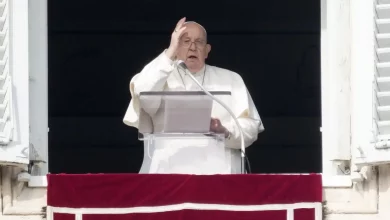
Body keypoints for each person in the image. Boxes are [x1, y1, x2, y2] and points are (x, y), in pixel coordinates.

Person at [123, 17, 264, 174]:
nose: (192, 47)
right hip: (167, 173)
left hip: (219, 175)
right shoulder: (159, 75)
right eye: (185, 41)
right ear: (175, 46)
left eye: (199, 42)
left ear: (207, 50)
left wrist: (224, 130)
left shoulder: (231, 79)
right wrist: (169, 53)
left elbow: (250, 127)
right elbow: (143, 94)